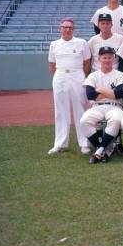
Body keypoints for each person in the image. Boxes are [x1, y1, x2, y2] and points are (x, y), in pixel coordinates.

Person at [47, 18, 92, 155]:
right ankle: (60, 143)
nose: (67, 29)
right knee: (60, 111)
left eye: (70, 27)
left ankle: (84, 144)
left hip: (77, 76)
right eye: (64, 27)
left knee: (80, 110)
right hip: (60, 77)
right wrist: (59, 77)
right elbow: (52, 65)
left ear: (74, 29)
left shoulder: (81, 43)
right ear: (60, 29)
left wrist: (80, 76)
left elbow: (87, 63)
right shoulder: (54, 44)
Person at [80, 46, 123, 164]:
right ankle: (102, 150)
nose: (107, 60)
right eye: (104, 57)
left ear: (114, 58)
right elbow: (90, 95)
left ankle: (99, 150)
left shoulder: (120, 75)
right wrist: (111, 93)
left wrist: (100, 90)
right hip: (97, 107)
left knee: (116, 120)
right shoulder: (93, 76)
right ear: (99, 58)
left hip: (115, 106)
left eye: (110, 57)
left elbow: (120, 94)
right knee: (84, 121)